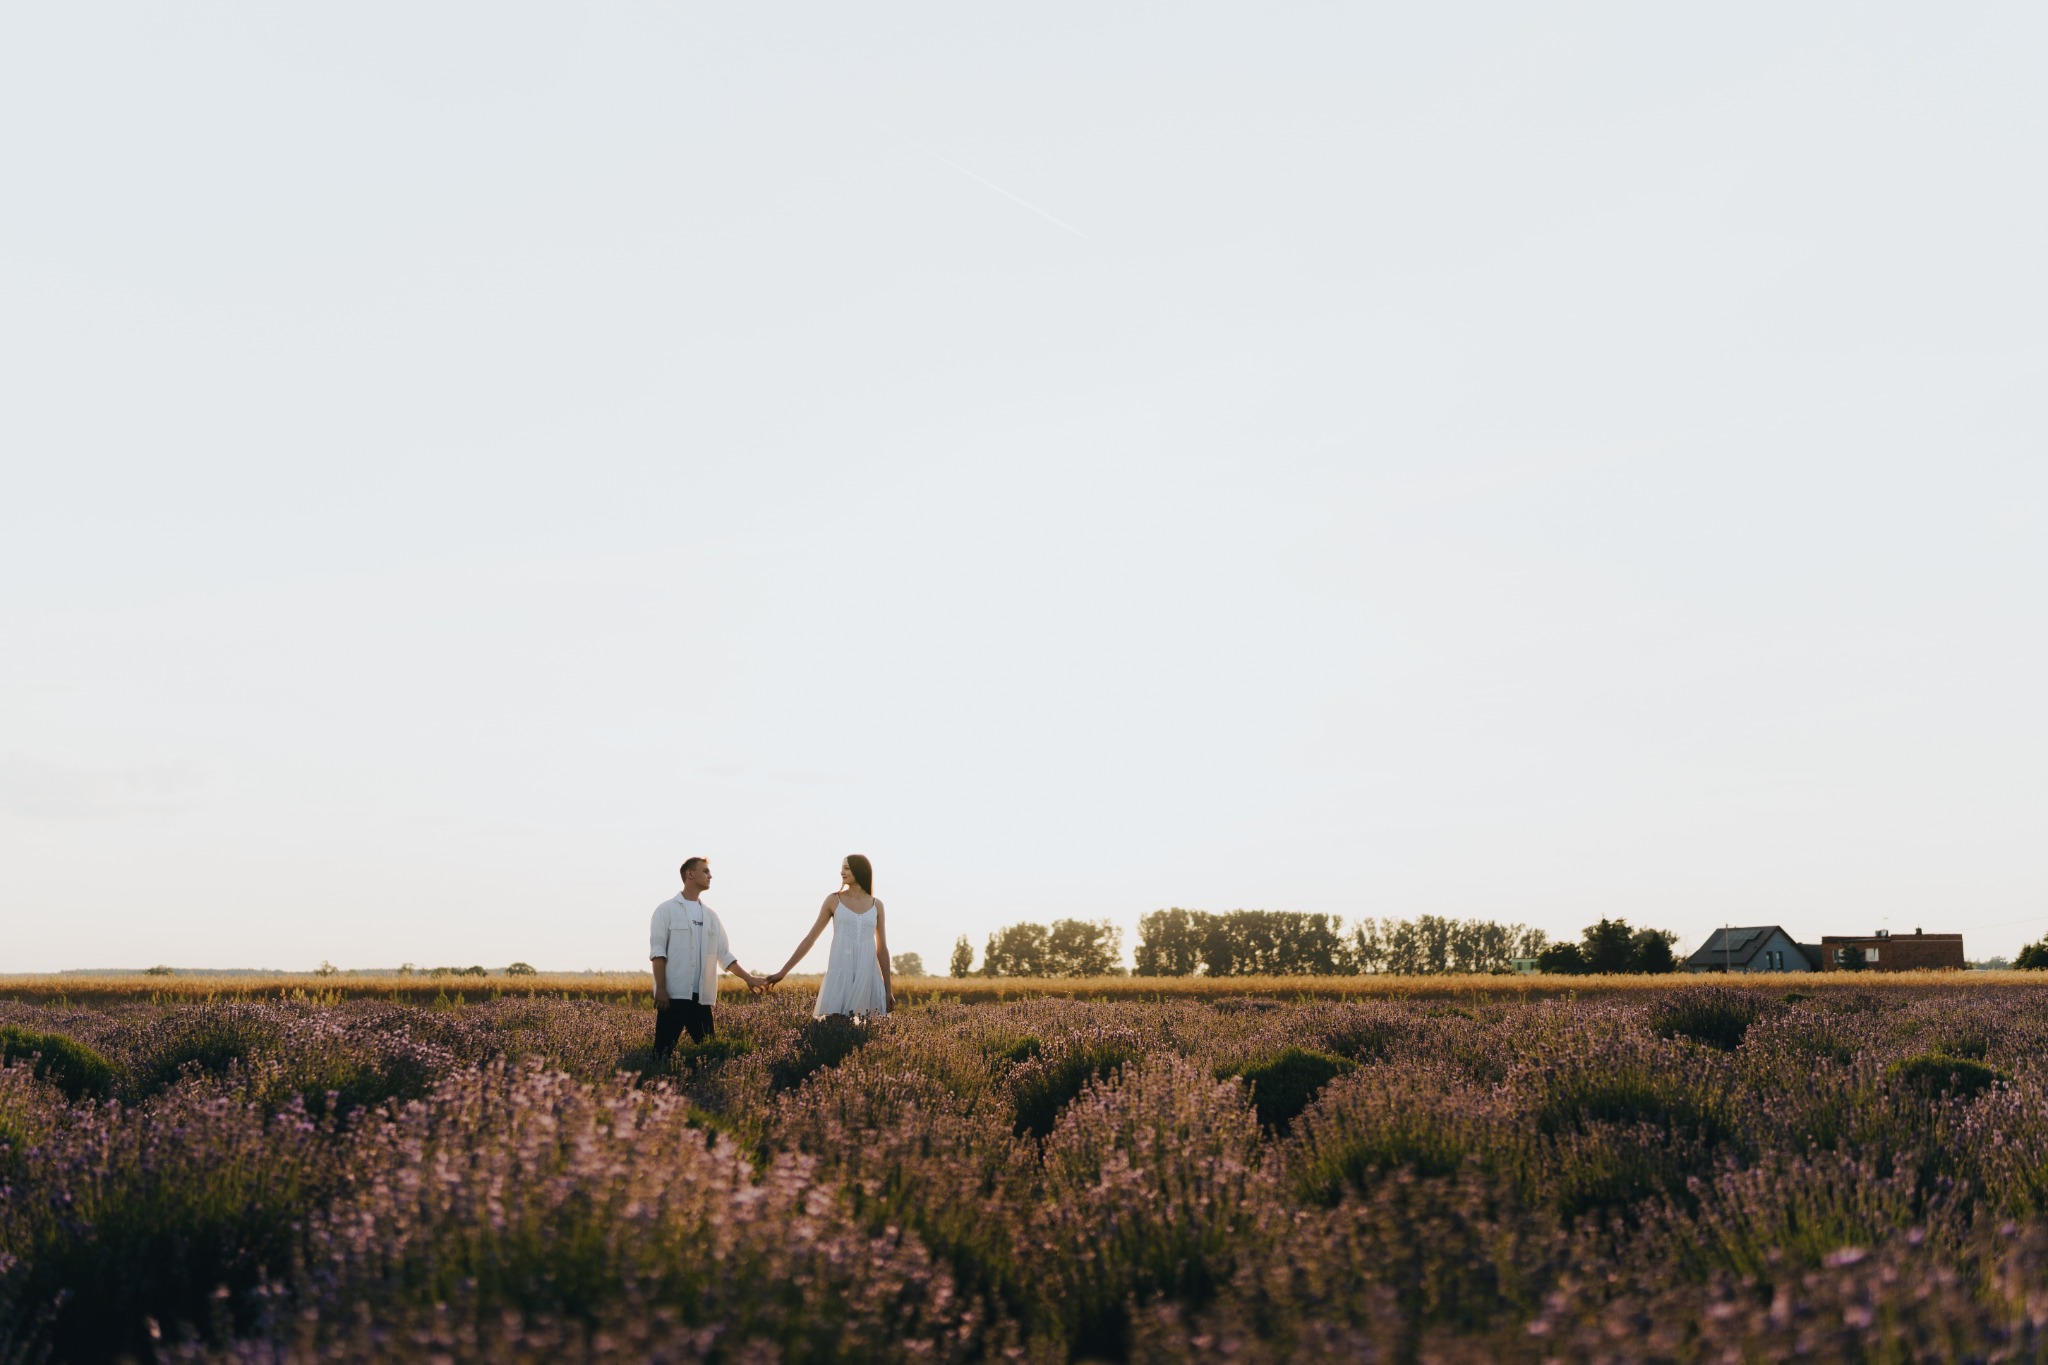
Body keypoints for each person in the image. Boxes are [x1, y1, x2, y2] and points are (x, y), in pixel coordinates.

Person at [649, 856, 763, 1059]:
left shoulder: (711, 916)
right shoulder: (665, 910)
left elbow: (724, 955)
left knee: (711, 1055)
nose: (710, 875)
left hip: (701, 998)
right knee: (661, 1055)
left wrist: (749, 978)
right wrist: (662, 989)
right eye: (705, 871)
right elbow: (658, 953)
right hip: (673, 997)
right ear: (689, 874)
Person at [764, 854, 894, 1018]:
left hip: (867, 976)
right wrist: (783, 972)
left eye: (847, 868)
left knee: (868, 1033)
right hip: (840, 972)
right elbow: (809, 939)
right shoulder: (834, 901)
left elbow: (882, 949)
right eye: (842, 868)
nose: (842, 872)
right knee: (835, 1024)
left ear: (859, 871)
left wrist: (888, 990)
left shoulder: (877, 905)